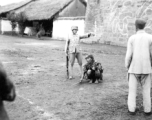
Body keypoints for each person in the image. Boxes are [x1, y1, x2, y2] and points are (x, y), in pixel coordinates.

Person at [125, 19, 152, 115]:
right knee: (146, 90)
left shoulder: (132, 38)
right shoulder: (150, 37)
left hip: (134, 69)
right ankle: (147, 110)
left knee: (132, 90)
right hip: (147, 68)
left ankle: (131, 109)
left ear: (135, 26)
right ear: (144, 26)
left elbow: (128, 55)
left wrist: (127, 66)